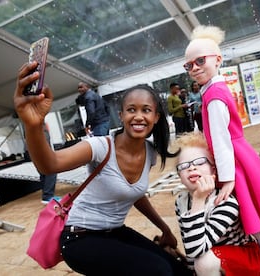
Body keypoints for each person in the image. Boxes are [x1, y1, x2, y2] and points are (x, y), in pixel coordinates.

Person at [14, 61, 193, 275]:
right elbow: (48, 164)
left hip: (114, 233)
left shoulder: (150, 154)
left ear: (156, 117)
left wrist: (164, 229)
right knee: (159, 271)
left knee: (178, 269)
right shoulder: (99, 146)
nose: (138, 116)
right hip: (80, 238)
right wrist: (33, 125)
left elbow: (135, 195)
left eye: (146, 110)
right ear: (121, 115)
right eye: (131, 110)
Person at [184, 25, 260, 276]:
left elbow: (221, 141)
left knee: (258, 227)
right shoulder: (213, 90)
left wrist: (229, 180)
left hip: (236, 164)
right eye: (188, 65)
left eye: (200, 61)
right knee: (256, 226)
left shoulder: (214, 96)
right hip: (239, 159)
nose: (194, 68)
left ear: (218, 60)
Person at [174, 132, 260, 275]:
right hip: (208, 259)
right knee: (200, 262)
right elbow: (189, 244)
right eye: (184, 166)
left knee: (204, 262)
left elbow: (197, 249)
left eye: (200, 162)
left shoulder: (225, 201)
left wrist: (199, 199)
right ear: (179, 176)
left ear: (213, 169)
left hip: (240, 258)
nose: (191, 168)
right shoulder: (181, 201)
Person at [40, 122, 58, 204]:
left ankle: (46, 195)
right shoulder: (36, 122)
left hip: (39, 146)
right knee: (51, 169)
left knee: (43, 170)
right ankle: (47, 196)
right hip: (41, 146)